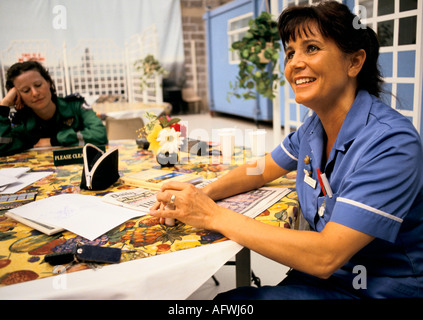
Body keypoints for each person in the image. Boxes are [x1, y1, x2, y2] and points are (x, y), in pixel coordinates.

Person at [150, 1, 423, 299]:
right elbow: (260, 169)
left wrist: (211, 215)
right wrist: (204, 195)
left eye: (312, 48)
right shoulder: (313, 129)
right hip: (324, 278)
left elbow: (326, 256)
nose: (294, 63)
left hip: (377, 290)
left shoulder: (392, 143)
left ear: (354, 63)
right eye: (290, 52)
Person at [0, 60, 108, 156]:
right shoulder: (22, 123)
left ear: (48, 82)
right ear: (18, 96)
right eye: (26, 90)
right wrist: (3, 106)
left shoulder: (75, 105)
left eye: (38, 85)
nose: (35, 93)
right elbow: (2, 148)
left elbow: (100, 135)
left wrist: (55, 140)